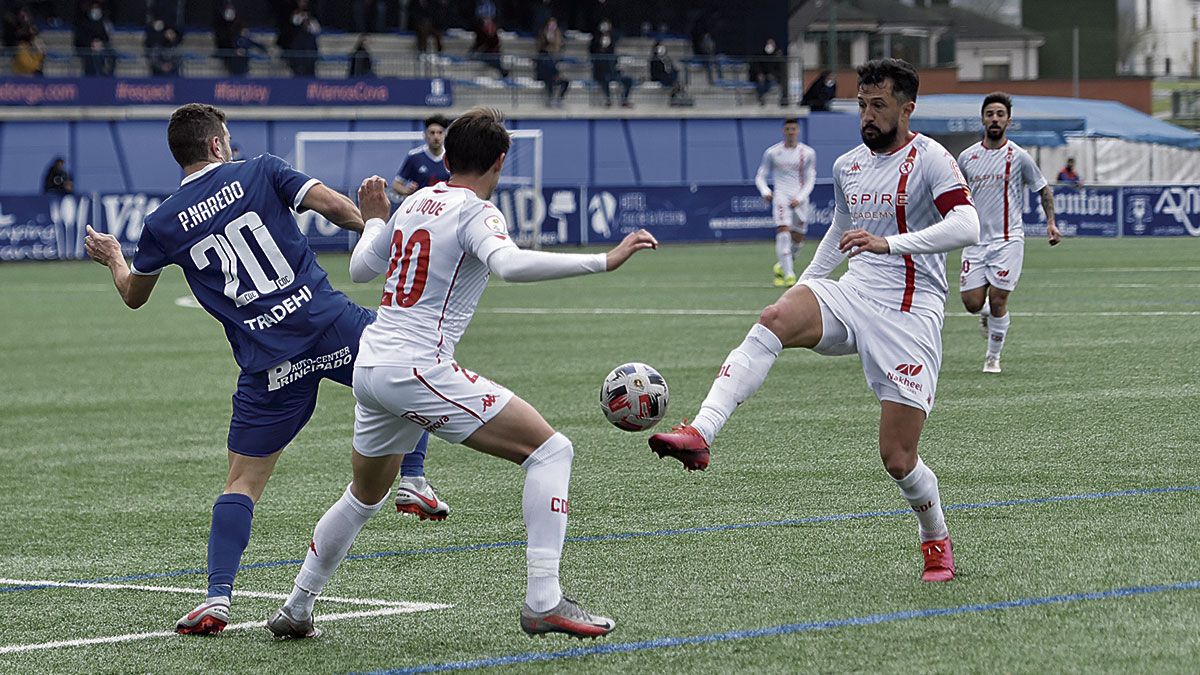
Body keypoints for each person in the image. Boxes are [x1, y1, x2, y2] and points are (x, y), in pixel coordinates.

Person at [266, 107, 658, 640]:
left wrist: (378, 218)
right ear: (500, 161)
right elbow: (510, 265)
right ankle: (544, 600)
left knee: (364, 496)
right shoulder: (477, 211)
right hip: (415, 367)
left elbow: (360, 268)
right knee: (551, 451)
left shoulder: (413, 205)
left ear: (445, 157)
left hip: (372, 364)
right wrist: (603, 261)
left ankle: (297, 607)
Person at [82, 103, 443, 636]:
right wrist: (375, 223)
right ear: (214, 146)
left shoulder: (161, 223)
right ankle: (412, 477)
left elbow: (134, 294)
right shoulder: (262, 170)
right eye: (226, 136)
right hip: (328, 324)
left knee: (243, 481)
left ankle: (218, 597)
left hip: (267, 361)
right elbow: (335, 208)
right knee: (411, 362)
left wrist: (113, 255)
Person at [649, 58, 979, 584]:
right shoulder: (848, 165)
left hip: (910, 314)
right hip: (853, 293)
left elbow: (967, 223)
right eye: (861, 105)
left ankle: (935, 537)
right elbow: (839, 231)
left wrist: (889, 243)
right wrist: (808, 282)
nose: (867, 116)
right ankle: (701, 431)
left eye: (879, 106)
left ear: (907, 108)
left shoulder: (932, 159)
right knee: (775, 316)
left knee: (898, 458)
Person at [957, 92, 1061, 374]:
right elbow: (954, 194)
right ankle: (987, 314)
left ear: (1008, 121)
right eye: (990, 114)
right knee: (971, 303)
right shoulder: (967, 158)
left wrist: (1051, 222)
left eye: (1000, 114)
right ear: (982, 119)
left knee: (999, 297)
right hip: (975, 241)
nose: (994, 119)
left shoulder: (1019, 157)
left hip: (1008, 240)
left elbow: (1043, 189)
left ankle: (993, 357)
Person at [755, 118, 817, 287]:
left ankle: (782, 266)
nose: (791, 132)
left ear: (798, 131)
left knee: (798, 238)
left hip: (800, 198)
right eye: (788, 129)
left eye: (793, 129)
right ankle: (790, 275)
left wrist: (801, 197)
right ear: (784, 131)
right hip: (781, 197)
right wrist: (766, 191)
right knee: (783, 231)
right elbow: (760, 176)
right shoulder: (772, 153)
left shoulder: (808, 153)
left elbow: (811, 178)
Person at [391, 115, 451, 198]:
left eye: (440, 133)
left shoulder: (452, 157)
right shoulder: (414, 156)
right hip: (421, 207)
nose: (436, 137)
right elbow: (396, 184)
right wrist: (407, 190)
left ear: (445, 135)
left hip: (446, 205)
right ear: (425, 135)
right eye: (432, 133)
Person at [589, 20, 633, 108]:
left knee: (628, 80)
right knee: (605, 80)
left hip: (613, 72)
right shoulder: (595, 43)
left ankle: (624, 100)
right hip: (601, 73)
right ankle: (608, 100)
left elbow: (619, 35)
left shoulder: (612, 41)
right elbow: (593, 56)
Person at [534, 17, 569, 107]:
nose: (552, 26)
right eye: (551, 24)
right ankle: (550, 99)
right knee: (549, 80)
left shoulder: (558, 34)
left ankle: (559, 99)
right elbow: (539, 47)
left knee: (565, 81)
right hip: (544, 68)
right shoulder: (543, 33)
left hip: (553, 66)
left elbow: (559, 46)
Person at [74, 1, 114, 76]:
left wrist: (101, 43)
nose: (95, 10)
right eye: (94, 8)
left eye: (97, 8)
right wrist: (91, 44)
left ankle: (108, 76)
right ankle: (91, 77)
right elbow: (79, 39)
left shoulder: (102, 22)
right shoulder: (82, 22)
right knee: (91, 56)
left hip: (100, 47)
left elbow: (106, 38)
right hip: (85, 48)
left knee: (112, 53)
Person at [750, 38, 785, 106]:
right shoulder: (760, 55)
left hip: (771, 77)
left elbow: (779, 70)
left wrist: (773, 74)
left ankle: (764, 96)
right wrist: (759, 73)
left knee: (771, 82)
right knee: (760, 82)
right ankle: (761, 97)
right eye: (769, 44)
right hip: (761, 76)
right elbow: (756, 65)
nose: (770, 46)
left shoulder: (777, 57)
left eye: (772, 44)